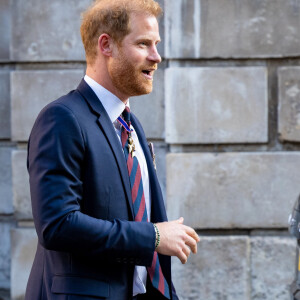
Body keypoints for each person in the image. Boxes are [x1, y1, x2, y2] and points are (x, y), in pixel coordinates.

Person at [25, 0, 200, 299]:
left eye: (156, 44)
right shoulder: (62, 119)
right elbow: (57, 224)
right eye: (144, 43)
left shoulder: (132, 125)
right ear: (106, 45)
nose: (156, 56)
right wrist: (155, 235)